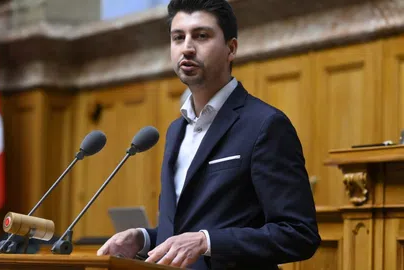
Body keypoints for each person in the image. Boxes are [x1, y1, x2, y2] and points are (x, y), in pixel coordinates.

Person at [97, 0, 321, 269]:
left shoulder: (265, 125)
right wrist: (144, 238)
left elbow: (299, 234)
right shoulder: (175, 130)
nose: (187, 48)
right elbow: (188, 230)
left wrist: (207, 242)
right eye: (178, 37)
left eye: (201, 36)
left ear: (231, 48)